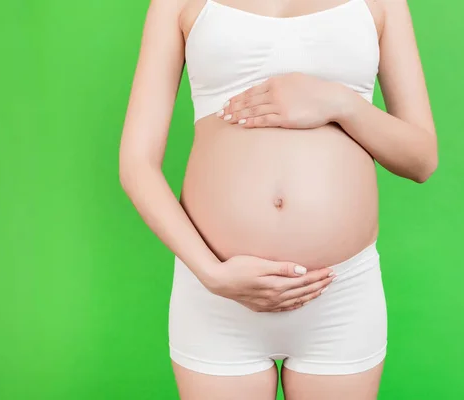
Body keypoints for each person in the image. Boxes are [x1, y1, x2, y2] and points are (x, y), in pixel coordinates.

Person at [119, 0, 437, 398]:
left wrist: (340, 103)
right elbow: (137, 163)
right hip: (216, 296)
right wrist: (211, 274)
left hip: (338, 295)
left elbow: (422, 159)